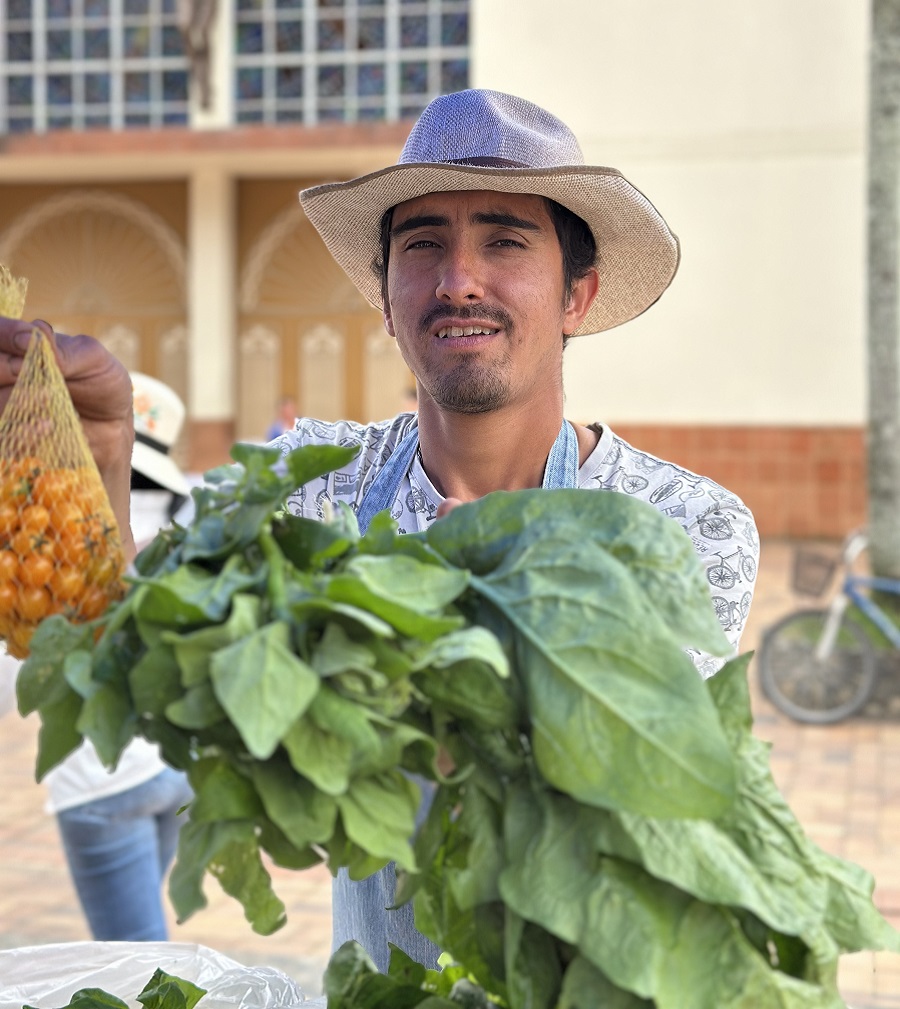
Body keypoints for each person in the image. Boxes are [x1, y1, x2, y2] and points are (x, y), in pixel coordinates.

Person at [0, 89, 758, 971]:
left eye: (505, 242)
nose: (458, 279)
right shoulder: (312, 485)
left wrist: (501, 611)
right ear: (387, 299)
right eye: (423, 244)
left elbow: (633, 788)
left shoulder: (681, 526)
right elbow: (137, 653)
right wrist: (101, 454)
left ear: (576, 295)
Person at [0, 372, 194, 942]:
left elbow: (15, 680)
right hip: (173, 769)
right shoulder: (182, 530)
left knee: (134, 958)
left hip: (101, 785)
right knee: (145, 932)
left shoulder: (51, 535)